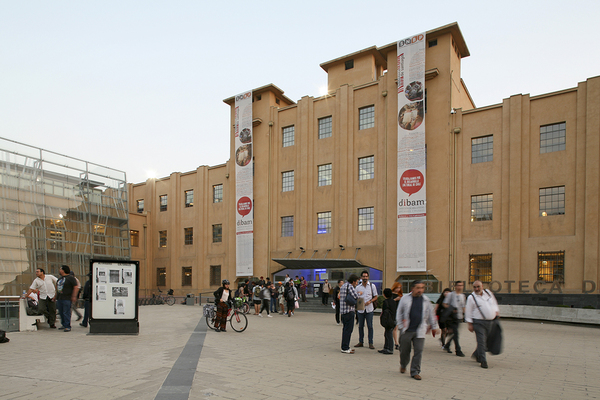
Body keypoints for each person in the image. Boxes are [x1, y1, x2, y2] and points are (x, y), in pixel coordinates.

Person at [396, 280, 439, 380]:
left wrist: (434, 326)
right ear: (413, 289)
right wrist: (400, 326)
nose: (420, 290)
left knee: (418, 351)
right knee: (404, 351)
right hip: (407, 330)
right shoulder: (405, 299)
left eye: (422, 288)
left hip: (420, 330)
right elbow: (399, 312)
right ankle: (403, 364)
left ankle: (415, 371)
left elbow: (431, 314)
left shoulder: (425, 300)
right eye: (418, 288)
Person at [465, 280, 499, 369]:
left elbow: (494, 303)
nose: (476, 289)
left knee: (487, 341)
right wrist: (469, 324)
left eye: (478, 286)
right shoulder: (471, 297)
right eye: (475, 287)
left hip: (490, 322)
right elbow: (468, 311)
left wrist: (496, 311)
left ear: (482, 286)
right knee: (481, 341)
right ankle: (483, 361)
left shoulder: (488, 293)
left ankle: (477, 354)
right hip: (478, 322)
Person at [354, 270, 378, 350]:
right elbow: (355, 297)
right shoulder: (358, 287)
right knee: (360, 326)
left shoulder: (372, 286)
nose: (365, 278)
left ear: (368, 277)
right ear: (361, 277)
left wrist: (370, 301)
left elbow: (376, 296)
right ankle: (361, 342)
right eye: (363, 276)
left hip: (369, 309)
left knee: (370, 326)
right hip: (360, 309)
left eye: (366, 276)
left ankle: (370, 342)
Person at [443, 281, 466, 357]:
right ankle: (458, 350)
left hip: (459, 317)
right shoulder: (450, 295)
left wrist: (465, 315)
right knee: (456, 333)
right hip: (452, 317)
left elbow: (463, 307)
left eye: (461, 285)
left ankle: (447, 345)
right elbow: (445, 304)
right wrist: (451, 309)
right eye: (458, 285)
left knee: (454, 333)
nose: (460, 287)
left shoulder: (462, 296)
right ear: (455, 286)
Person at [339, 274, 360, 354]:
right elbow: (356, 296)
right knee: (348, 330)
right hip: (349, 311)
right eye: (357, 282)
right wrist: (360, 293)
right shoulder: (350, 286)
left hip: (343, 311)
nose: (357, 284)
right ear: (353, 281)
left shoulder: (343, 286)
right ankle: (345, 347)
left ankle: (345, 346)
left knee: (345, 329)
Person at [56, 265, 79, 332]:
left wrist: (74, 296)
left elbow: (76, 287)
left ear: (63, 270)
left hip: (67, 298)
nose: (59, 270)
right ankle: (63, 324)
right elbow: (56, 288)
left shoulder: (70, 278)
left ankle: (67, 325)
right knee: (61, 312)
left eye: (60, 269)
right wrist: (55, 296)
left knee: (66, 312)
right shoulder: (60, 279)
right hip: (60, 297)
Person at [378, 288, 398, 355]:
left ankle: (390, 348)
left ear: (384, 295)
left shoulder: (385, 302)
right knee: (387, 333)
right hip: (394, 319)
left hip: (388, 320)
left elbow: (384, 312)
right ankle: (386, 347)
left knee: (388, 334)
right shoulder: (393, 301)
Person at [391, 282, 403, 350]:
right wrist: (396, 299)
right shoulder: (392, 294)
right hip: (393, 312)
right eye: (397, 287)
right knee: (395, 328)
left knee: (399, 328)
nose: (398, 289)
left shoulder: (400, 295)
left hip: (399, 313)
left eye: (399, 288)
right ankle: (396, 343)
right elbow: (389, 302)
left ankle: (399, 342)